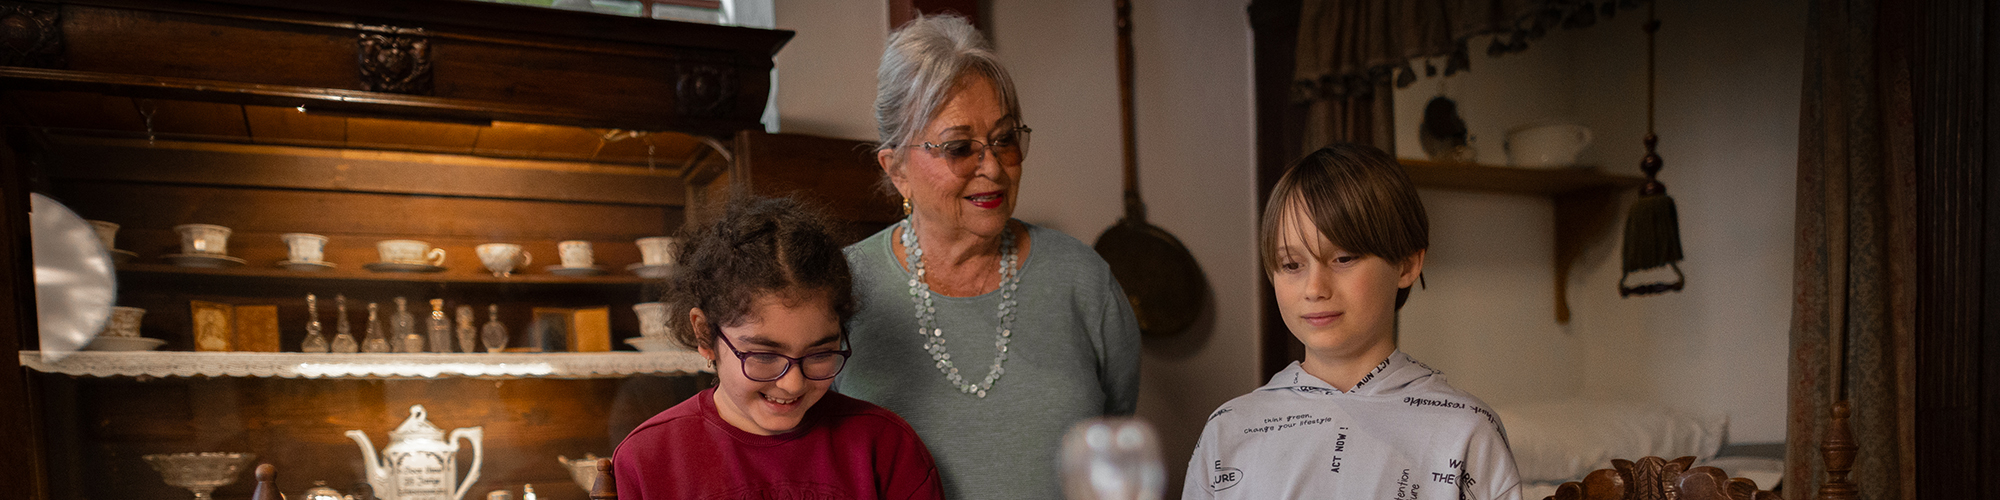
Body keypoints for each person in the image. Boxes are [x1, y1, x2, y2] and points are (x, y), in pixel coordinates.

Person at [837, 13, 1143, 500]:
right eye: (960, 147)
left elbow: (1115, 440)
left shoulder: (1082, 280)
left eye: (1004, 139)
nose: (994, 168)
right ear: (896, 169)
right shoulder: (841, 287)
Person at [1182, 144, 1521, 499]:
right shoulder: (1229, 430)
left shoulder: (1466, 430)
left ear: (1406, 264)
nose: (1314, 289)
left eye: (1343, 258)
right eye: (1292, 265)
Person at [613, 196, 944, 500]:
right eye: (765, 356)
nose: (793, 384)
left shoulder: (885, 446)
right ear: (704, 334)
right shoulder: (647, 459)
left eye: (820, 354)